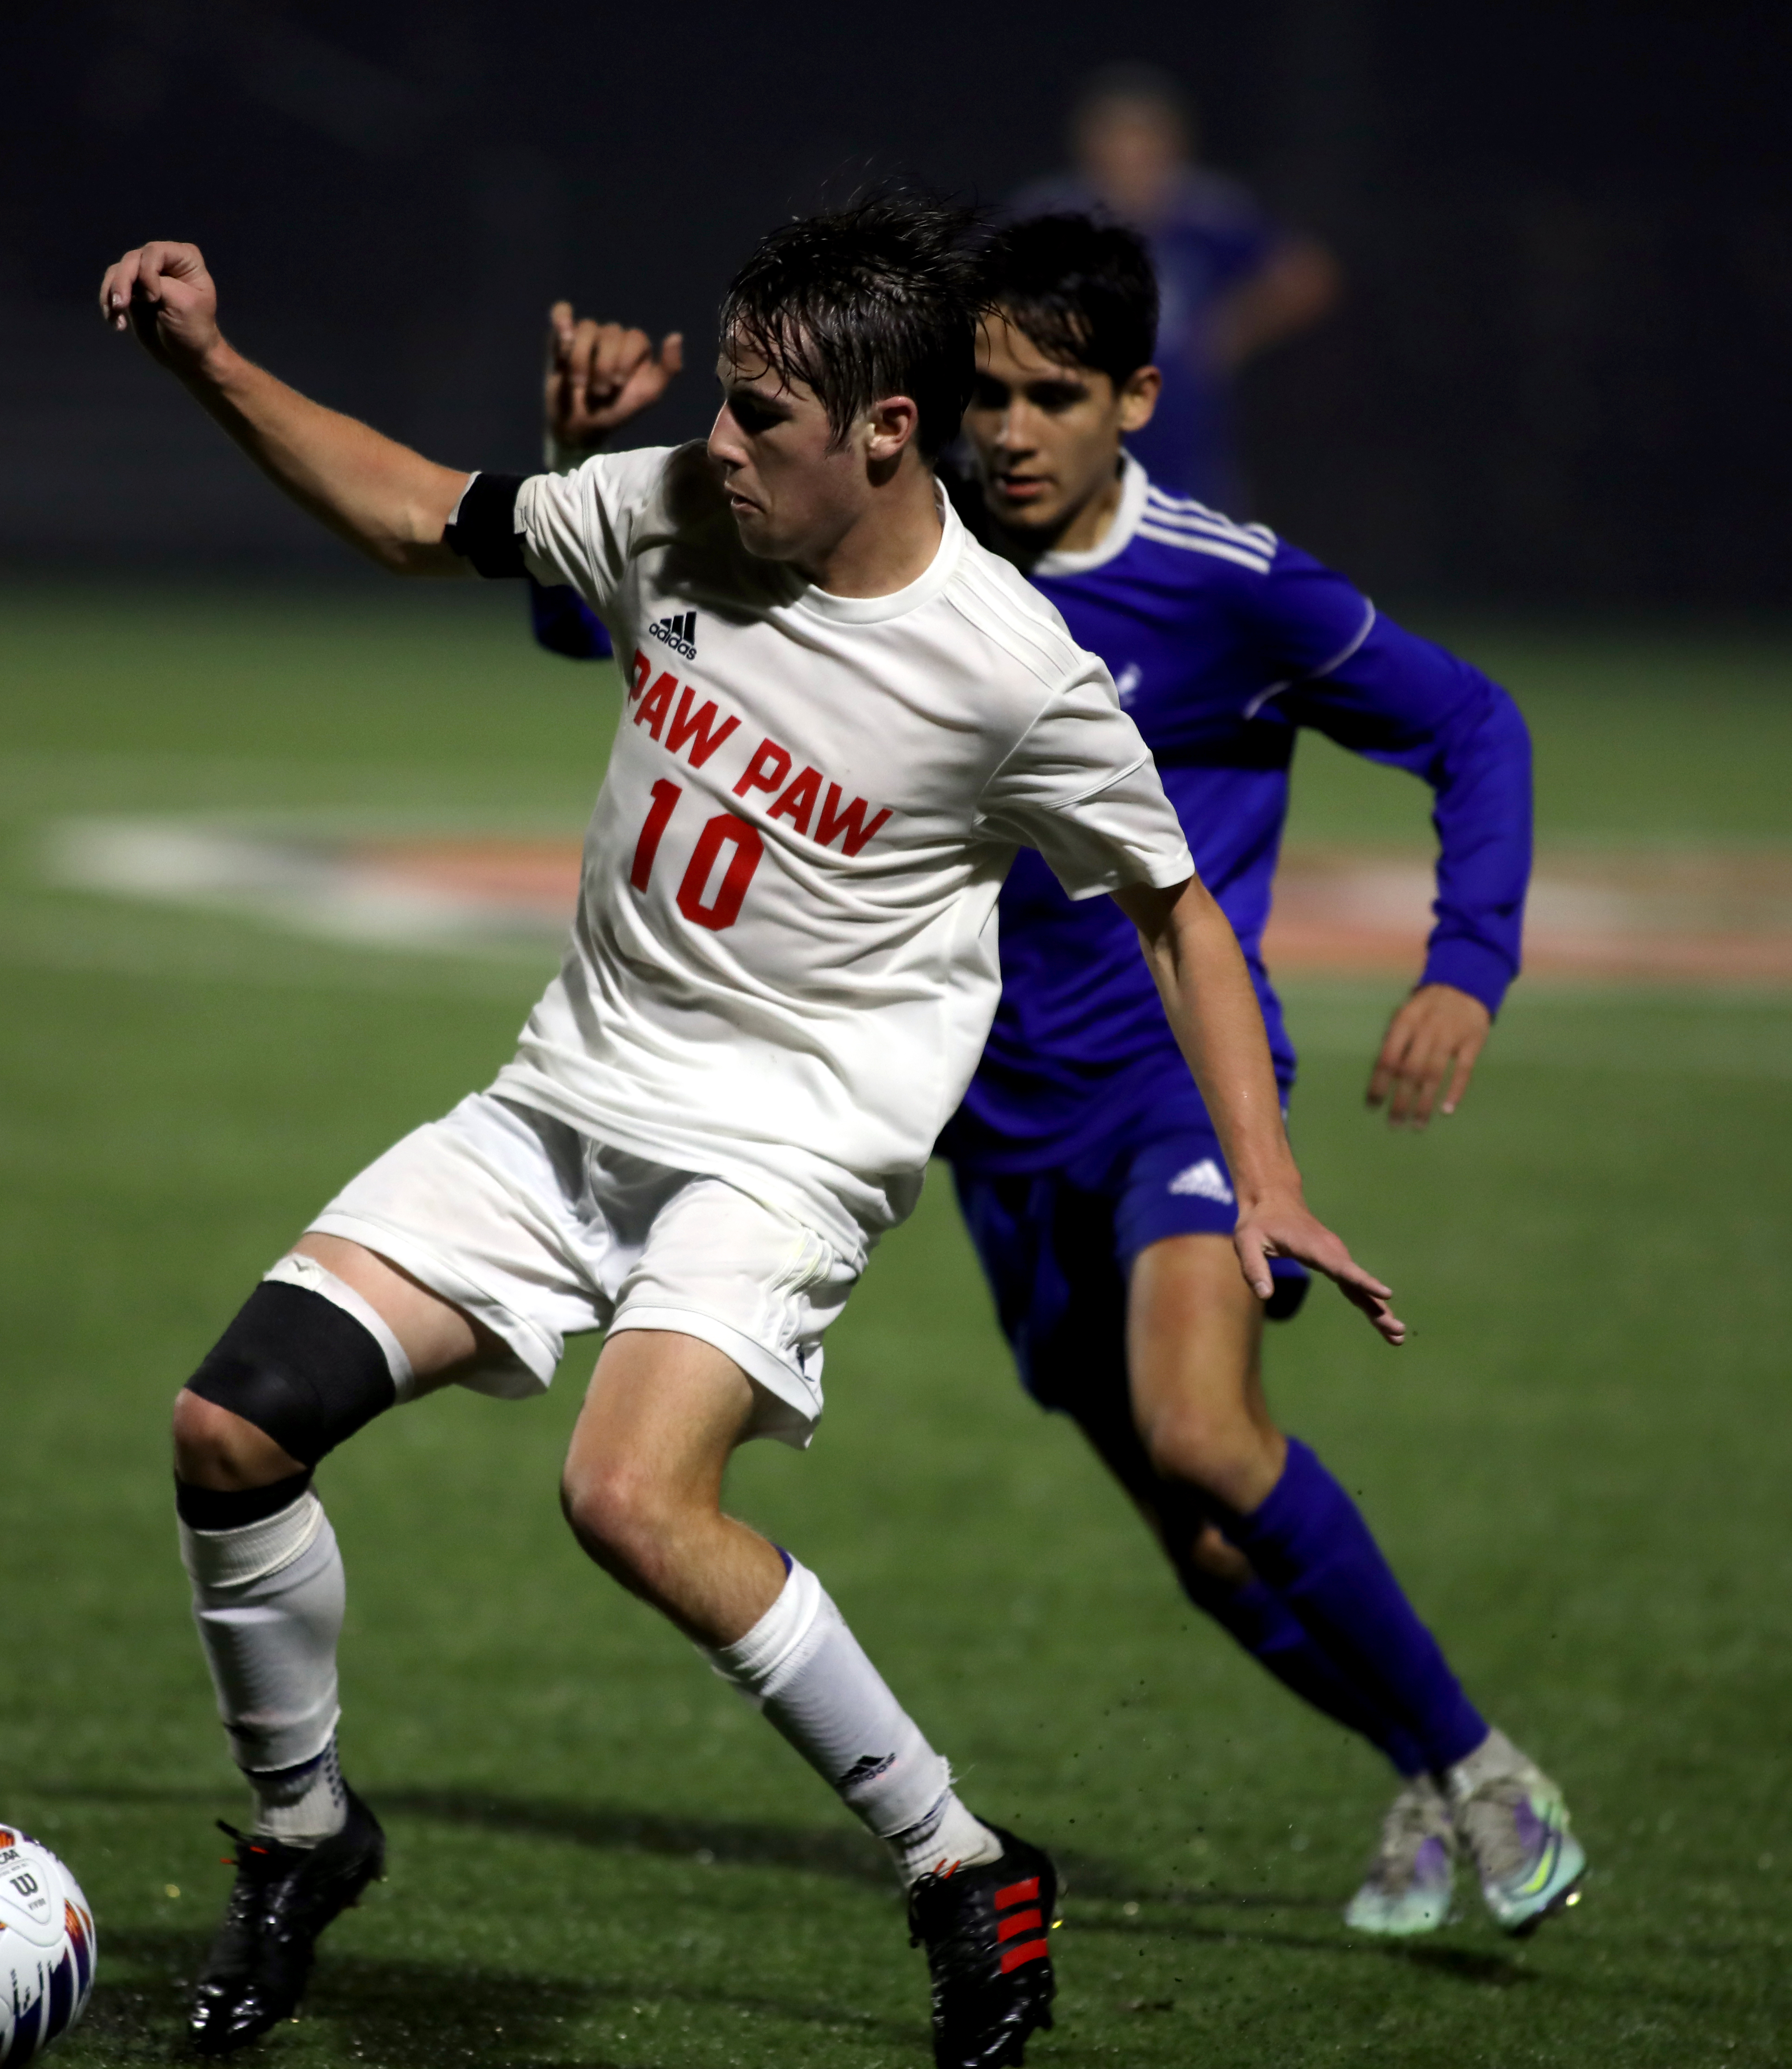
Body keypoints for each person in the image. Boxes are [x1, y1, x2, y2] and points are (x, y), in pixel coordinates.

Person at [95, 196, 1411, 2068]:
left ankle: (962, 1864)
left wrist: (1269, 1187)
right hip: (566, 1105)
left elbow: (1180, 908)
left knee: (629, 1497)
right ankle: (306, 1833)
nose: (723, 438)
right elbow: (418, 512)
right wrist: (209, 364)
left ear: (891, 427)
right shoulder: (676, 512)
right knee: (227, 1429)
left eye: (767, 411)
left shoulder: (1010, 668)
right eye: (725, 393)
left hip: (785, 1147)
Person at [534, 213, 1584, 1940]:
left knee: (1202, 1431)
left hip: (1170, 1094)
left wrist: (1464, 962)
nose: (1007, 431)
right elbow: (608, 640)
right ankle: (1416, 1755)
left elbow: (1472, 723)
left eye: (1053, 395)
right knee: (1194, 1539)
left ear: (1136, 400)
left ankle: (1477, 1765)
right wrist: (582, 460)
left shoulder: (1224, 585)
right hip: (977, 1128)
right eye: (984, 394)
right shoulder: (880, 553)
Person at [1010, 64, 1340, 509]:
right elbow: (981, 294)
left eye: (1145, 139)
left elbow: (1307, 276)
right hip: (1078, 424)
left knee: (1194, 553)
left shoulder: (1207, 213)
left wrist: (1229, 333)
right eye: (1117, 139)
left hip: (1185, 428)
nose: (1131, 155)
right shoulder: (1052, 215)